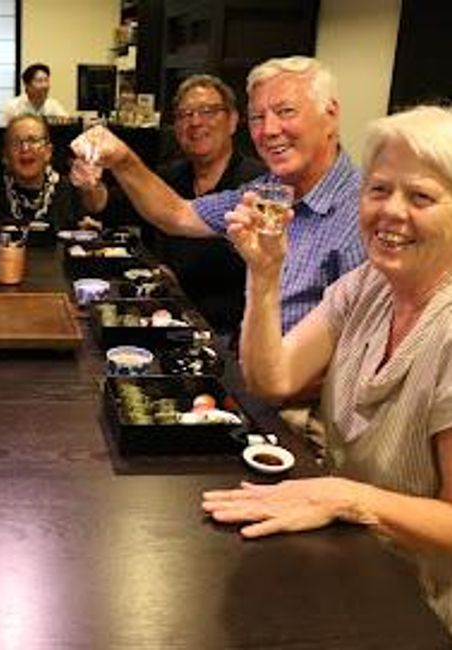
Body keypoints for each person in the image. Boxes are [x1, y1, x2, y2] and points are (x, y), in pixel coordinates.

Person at [202, 105, 452, 632]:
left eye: (421, 196)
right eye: (379, 189)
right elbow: (275, 380)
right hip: (350, 558)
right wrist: (266, 275)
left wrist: (346, 496)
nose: (392, 212)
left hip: (423, 609)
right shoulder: (368, 285)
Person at [72, 56, 365, 332]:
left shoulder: (365, 214)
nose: (269, 130)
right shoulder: (266, 191)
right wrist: (121, 159)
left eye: (286, 111)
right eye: (258, 118)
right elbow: (178, 214)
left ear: (331, 114)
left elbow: (355, 356)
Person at [150, 74, 265, 334]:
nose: (195, 122)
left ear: (233, 121)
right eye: (184, 114)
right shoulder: (168, 177)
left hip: (230, 336)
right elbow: (111, 206)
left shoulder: (257, 184)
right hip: (168, 323)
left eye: (208, 111)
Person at [1, 63, 68, 125]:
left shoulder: (53, 105)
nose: (44, 85)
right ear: (27, 85)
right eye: (39, 81)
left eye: (46, 80)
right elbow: (4, 132)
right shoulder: (13, 106)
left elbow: (66, 124)